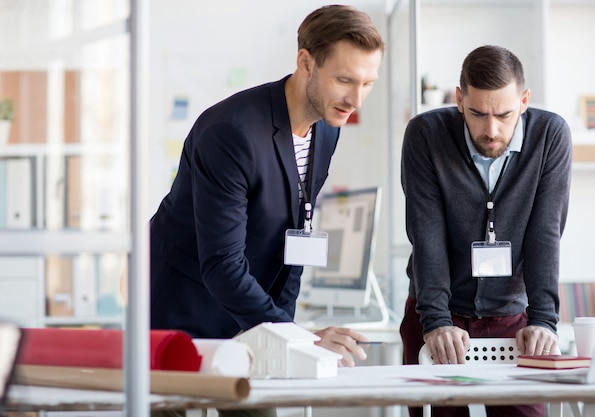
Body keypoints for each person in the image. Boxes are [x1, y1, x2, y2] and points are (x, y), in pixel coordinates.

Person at [149, 6, 383, 416]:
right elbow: (221, 265)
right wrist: (297, 337)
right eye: (344, 80)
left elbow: (295, 243)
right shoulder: (232, 132)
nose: (356, 98)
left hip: (250, 313)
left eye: (367, 83)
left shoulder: (327, 128)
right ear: (306, 62)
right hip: (181, 309)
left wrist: (288, 341)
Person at [400, 45, 572, 417]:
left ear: (524, 100)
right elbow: (426, 234)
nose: (491, 130)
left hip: (511, 317)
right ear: (460, 99)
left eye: (505, 114)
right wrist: (437, 322)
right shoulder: (426, 135)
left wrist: (544, 320)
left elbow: (545, 234)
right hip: (435, 313)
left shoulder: (550, 136)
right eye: (477, 113)